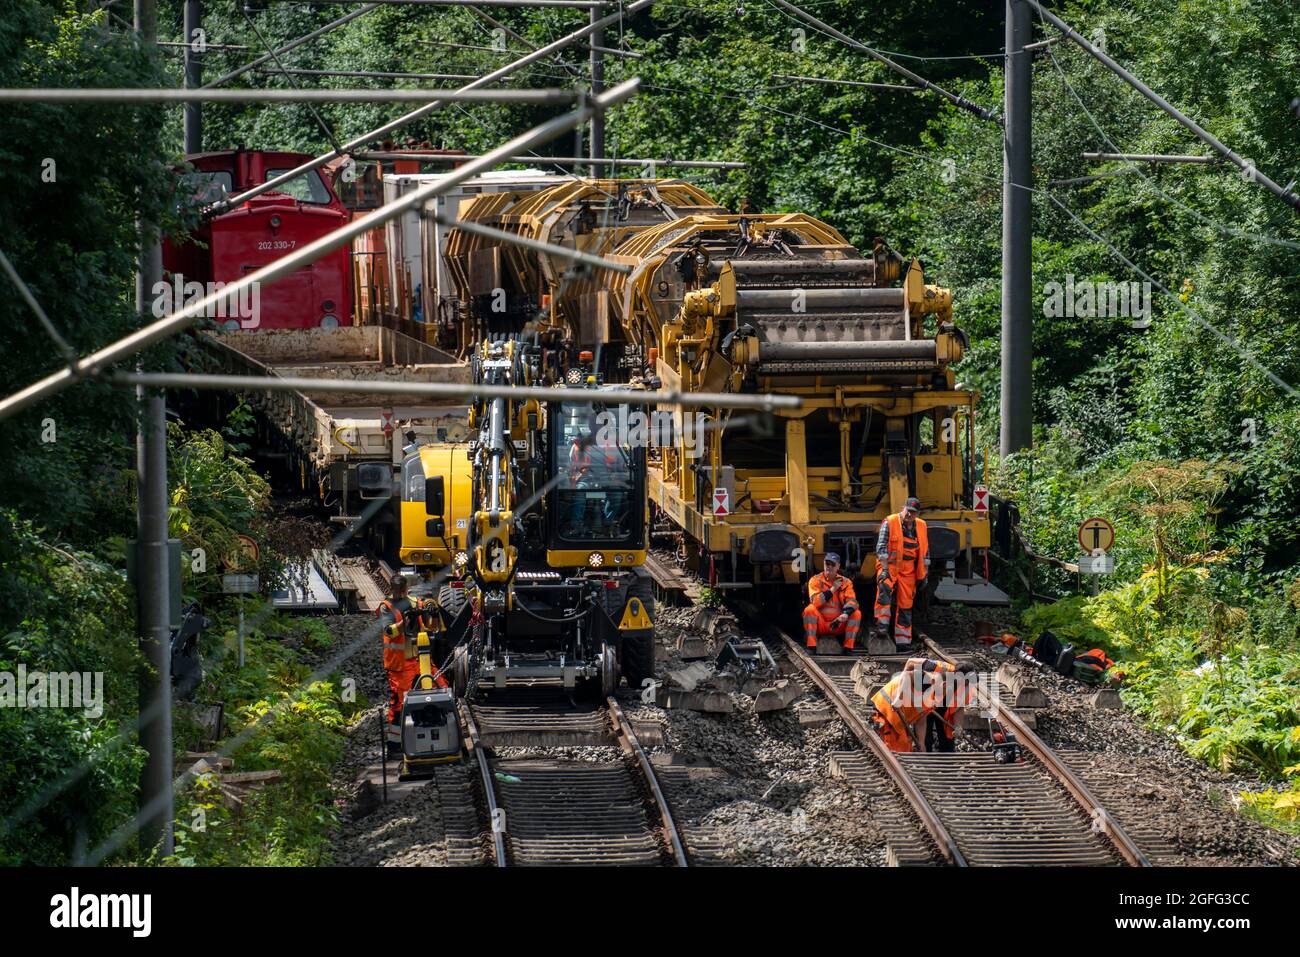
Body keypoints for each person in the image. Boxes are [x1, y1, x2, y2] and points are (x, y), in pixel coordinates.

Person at [870, 658, 976, 753]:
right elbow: (907, 674)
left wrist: (921, 743)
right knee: (894, 750)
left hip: (900, 715)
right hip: (887, 707)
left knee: (905, 748)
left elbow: (922, 719)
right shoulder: (933, 678)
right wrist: (899, 697)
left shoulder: (939, 696)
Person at [873, 496, 930, 652]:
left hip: (909, 569)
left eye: (913, 512)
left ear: (918, 513)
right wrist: (884, 569)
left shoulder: (922, 526)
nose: (909, 515)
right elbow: (881, 548)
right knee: (884, 589)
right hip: (890, 566)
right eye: (908, 511)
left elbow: (925, 553)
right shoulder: (890, 522)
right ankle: (882, 626)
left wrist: (925, 573)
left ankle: (903, 641)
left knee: (906, 604)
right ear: (903, 508)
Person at [376, 575, 421, 749]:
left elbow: (425, 610)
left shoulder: (413, 602)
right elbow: (389, 631)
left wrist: (428, 610)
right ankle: (395, 744)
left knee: (437, 686)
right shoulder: (386, 607)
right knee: (400, 703)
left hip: (416, 659)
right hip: (398, 665)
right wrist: (404, 622)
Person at [802, 551, 862, 653]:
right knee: (809, 610)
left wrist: (845, 614)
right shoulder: (815, 580)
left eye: (832, 564)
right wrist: (833, 589)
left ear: (838, 566)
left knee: (856, 614)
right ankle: (811, 646)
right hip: (821, 625)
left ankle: (848, 648)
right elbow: (815, 602)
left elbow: (852, 601)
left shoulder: (846, 582)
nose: (829, 567)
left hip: (838, 624)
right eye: (827, 564)